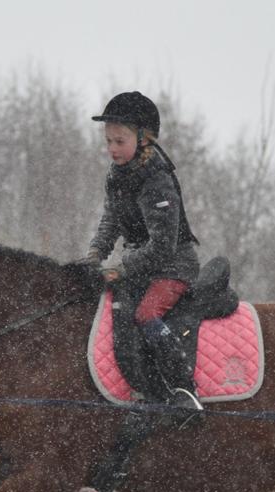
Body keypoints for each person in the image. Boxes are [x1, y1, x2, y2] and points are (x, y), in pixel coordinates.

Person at [83, 91, 203, 413]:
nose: (111, 149)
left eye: (119, 141)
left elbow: (163, 246)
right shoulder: (117, 175)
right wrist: (95, 253)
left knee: (146, 315)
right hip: (141, 265)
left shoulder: (157, 180)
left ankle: (183, 389)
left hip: (172, 267)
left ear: (144, 138)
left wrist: (122, 268)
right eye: (108, 141)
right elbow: (112, 219)